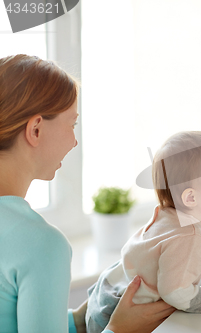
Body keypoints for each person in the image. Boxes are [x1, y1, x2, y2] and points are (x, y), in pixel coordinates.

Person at [0, 54, 175, 333]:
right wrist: (119, 329)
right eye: (72, 125)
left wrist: (80, 320)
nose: (73, 141)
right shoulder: (41, 245)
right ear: (35, 129)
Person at [86, 131, 201, 333]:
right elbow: (175, 292)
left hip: (107, 291)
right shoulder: (187, 237)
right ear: (191, 198)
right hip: (115, 315)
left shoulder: (172, 214)